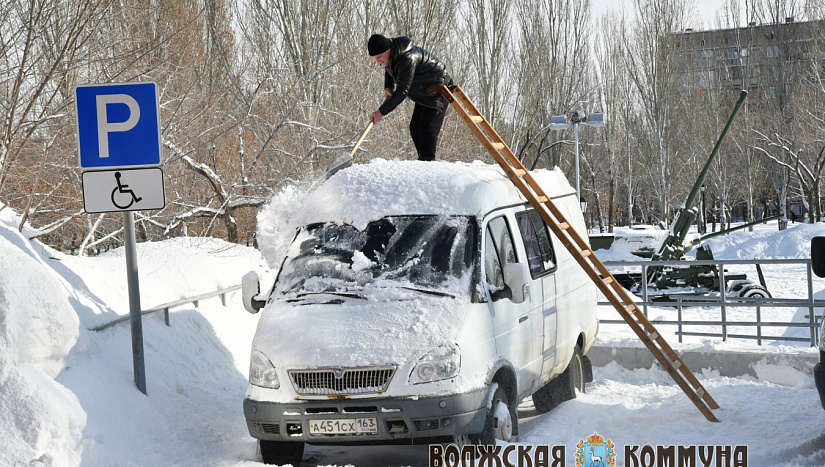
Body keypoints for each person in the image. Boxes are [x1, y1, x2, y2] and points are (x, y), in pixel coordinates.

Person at [367, 34, 453, 161]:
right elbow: (389, 69)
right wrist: (388, 86)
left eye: (379, 57)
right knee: (415, 127)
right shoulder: (393, 55)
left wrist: (381, 112)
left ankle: (427, 162)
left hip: (439, 88)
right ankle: (424, 161)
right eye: (375, 59)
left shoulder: (407, 58)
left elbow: (402, 90)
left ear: (388, 50)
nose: (378, 61)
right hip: (424, 89)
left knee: (426, 128)